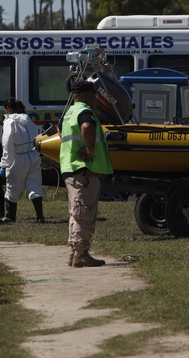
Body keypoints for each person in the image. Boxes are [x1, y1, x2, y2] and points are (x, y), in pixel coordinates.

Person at [59, 81, 113, 267]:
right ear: (90, 96)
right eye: (95, 96)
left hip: (70, 167)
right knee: (84, 211)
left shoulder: (68, 113)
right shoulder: (85, 112)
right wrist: (89, 151)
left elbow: (60, 131)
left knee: (76, 212)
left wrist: (76, 149)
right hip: (84, 170)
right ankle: (81, 254)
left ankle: (75, 252)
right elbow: (87, 127)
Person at [0, 98, 45, 223]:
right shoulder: (28, 120)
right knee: (34, 185)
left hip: (17, 157)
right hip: (32, 155)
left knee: (12, 187)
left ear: (8, 108)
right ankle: (40, 216)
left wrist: (5, 164)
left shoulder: (9, 121)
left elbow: (7, 143)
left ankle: (10, 217)